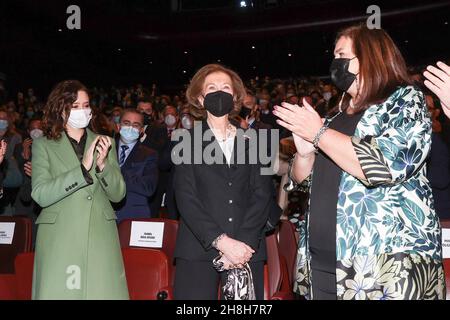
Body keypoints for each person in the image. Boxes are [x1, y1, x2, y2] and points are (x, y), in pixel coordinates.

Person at [274, 24, 445, 300]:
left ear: (370, 56)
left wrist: (319, 133)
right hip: (322, 265)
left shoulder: (404, 101)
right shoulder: (334, 118)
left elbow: (387, 164)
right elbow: (304, 185)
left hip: (385, 268)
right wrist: (305, 153)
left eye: (342, 54)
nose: (335, 62)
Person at [173, 64, 280, 300]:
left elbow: (262, 195)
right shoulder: (184, 142)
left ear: (234, 98)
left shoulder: (255, 141)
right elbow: (186, 198)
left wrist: (239, 246)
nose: (219, 92)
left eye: (225, 88)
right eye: (211, 88)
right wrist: (222, 242)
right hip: (198, 249)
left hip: (246, 249)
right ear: (200, 99)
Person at [31, 80, 128, 299]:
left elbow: (118, 194)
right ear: (60, 109)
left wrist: (102, 166)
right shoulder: (43, 145)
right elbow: (40, 194)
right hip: (60, 235)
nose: (82, 111)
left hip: (99, 234)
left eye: (85, 105)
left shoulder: (105, 142)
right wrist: (82, 169)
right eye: (75, 106)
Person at [114, 108, 158, 223]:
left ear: (141, 130)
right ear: (118, 126)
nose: (130, 128)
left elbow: (148, 188)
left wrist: (116, 171)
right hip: (103, 217)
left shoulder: (149, 155)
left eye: (135, 125)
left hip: (134, 217)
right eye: (126, 123)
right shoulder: (105, 149)